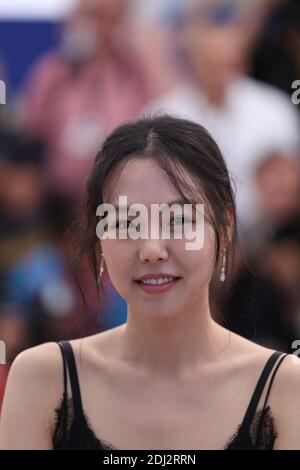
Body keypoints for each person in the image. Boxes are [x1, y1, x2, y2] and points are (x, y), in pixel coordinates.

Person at [0, 115, 299, 450]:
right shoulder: (42, 381)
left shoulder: (284, 388)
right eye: (127, 223)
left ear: (225, 225)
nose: (152, 250)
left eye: (178, 220)